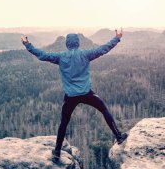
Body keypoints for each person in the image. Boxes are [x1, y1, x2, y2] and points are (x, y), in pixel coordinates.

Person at [21, 29, 128, 161]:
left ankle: (57, 151)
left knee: (64, 123)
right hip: (86, 92)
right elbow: (103, 49)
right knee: (103, 109)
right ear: (78, 43)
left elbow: (42, 55)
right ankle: (118, 136)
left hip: (70, 96)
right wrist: (117, 38)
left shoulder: (60, 57)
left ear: (67, 44)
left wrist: (27, 45)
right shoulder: (86, 54)